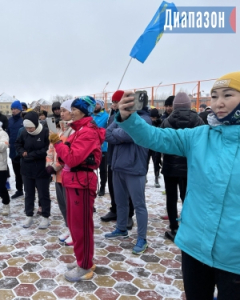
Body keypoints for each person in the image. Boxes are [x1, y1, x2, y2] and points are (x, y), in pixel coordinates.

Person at [115, 71, 240, 300]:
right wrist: (128, 118)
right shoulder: (200, 136)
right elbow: (156, 137)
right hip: (194, 246)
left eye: (227, 94)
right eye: (213, 96)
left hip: (235, 257)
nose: (218, 103)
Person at [51, 96, 104, 282]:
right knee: (75, 225)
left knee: (81, 226)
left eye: (73, 109)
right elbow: (68, 156)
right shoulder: (77, 129)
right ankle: (83, 259)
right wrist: (63, 148)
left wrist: (58, 144)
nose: (70, 112)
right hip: (73, 180)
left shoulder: (87, 131)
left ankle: (85, 265)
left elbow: (72, 159)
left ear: (83, 111)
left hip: (81, 182)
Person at [104, 93, 151, 255]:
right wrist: (120, 133)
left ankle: (142, 238)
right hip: (118, 167)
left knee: (139, 205)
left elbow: (129, 134)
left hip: (135, 168)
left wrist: (120, 133)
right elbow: (107, 134)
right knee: (120, 201)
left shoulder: (145, 119)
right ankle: (121, 228)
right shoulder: (120, 117)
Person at [159, 93, 204, 242]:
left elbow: (161, 142)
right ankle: (188, 226)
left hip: (170, 167)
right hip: (190, 167)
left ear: (175, 106)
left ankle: (174, 227)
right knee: (188, 197)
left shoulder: (166, 122)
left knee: (171, 198)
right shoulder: (198, 121)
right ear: (189, 105)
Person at [100, 91, 134, 227]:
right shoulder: (112, 116)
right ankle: (114, 209)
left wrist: (114, 135)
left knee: (127, 188)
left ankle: (129, 215)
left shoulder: (128, 117)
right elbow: (107, 135)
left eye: (116, 102)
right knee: (113, 186)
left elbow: (122, 136)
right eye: (113, 102)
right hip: (112, 154)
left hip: (125, 157)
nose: (113, 104)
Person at [15, 111, 51, 229]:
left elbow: (48, 149)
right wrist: (21, 152)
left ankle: (45, 216)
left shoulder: (45, 132)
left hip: (41, 169)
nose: (29, 130)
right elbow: (18, 144)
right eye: (27, 127)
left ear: (36, 124)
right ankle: (29, 214)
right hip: (27, 168)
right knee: (29, 193)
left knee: (43, 194)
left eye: (31, 127)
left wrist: (32, 154)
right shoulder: (24, 133)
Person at [46, 99, 75, 245]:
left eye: (64, 111)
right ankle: (69, 228)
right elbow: (51, 148)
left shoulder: (73, 131)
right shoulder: (59, 130)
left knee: (72, 206)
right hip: (58, 176)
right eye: (61, 111)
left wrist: (55, 166)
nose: (61, 113)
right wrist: (48, 164)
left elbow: (68, 154)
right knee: (63, 205)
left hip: (69, 175)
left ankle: (76, 233)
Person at [91, 99, 109, 196]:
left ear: (101, 106)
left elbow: (106, 129)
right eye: (94, 104)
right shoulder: (90, 115)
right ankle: (92, 186)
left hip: (102, 147)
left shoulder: (106, 116)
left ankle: (102, 187)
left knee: (102, 169)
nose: (95, 106)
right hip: (91, 146)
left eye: (97, 104)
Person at [7, 100, 24, 199]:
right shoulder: (10, 120)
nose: (13, 111)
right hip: (13, 150)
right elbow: (8, 133)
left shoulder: (23, 121)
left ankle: (28, 189)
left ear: (20, 109)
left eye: (15, 109)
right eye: (12, 109)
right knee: (17, 172)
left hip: (22, 151)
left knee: (24, 172)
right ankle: (19, 190)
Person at [149, 108, 162, 188]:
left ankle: (156, 178)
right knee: (145, 162)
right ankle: (144, 177)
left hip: (156, 146)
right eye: (152, 117)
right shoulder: (148, 122)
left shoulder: (160, 122)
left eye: (154, 118)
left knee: (156, 163)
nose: (153, 119)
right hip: (148, 145)